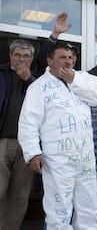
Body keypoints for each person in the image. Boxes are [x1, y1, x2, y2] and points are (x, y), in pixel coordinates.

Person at [18, 43, 97, 229]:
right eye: (62, 57)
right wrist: (33, 152)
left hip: (85, 158)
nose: (68, 61)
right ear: (50, 61)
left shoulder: (83, 78)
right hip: (57, 160)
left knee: (88, 208)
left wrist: (74, 80)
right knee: (59, 210)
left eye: (71, 57)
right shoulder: (39, 87)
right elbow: (28, 123)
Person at [0, 40, 36, 230]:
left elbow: (45, 102)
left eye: (26, 56)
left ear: (31, 59)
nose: (21, 59)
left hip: (27, 145)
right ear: (10, 55)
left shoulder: (37, 80)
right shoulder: (1, 74)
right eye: (18, 55)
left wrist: (28, 79)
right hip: (3, 142)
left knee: (20, 194)